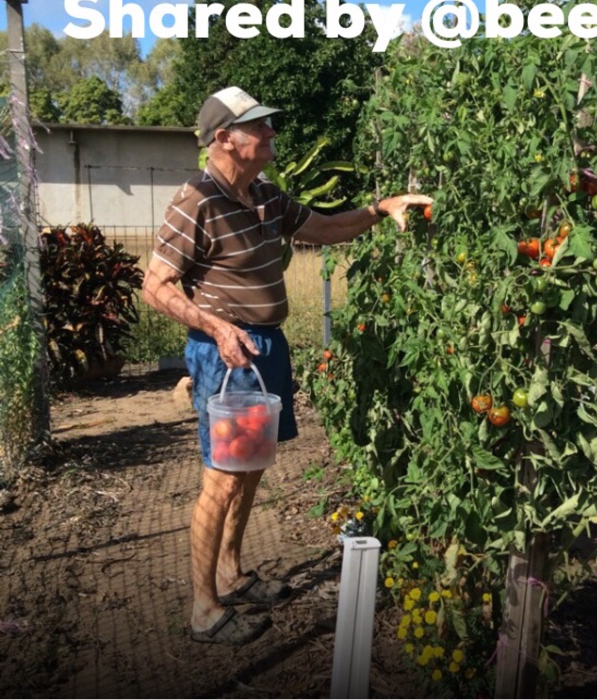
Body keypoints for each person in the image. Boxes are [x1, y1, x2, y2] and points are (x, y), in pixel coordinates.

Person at [142, 86, 431, 646]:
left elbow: (321, 228)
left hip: (265, 350)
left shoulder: (265, 194)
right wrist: (217, 327)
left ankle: (230, 572)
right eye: (259, 127)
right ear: (224, 138)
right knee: (222, 479)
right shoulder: (196, 199)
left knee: (250, 469)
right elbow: (155, 286)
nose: (272, 133)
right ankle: (203, 608)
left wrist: (380, 208)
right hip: (227, 355)